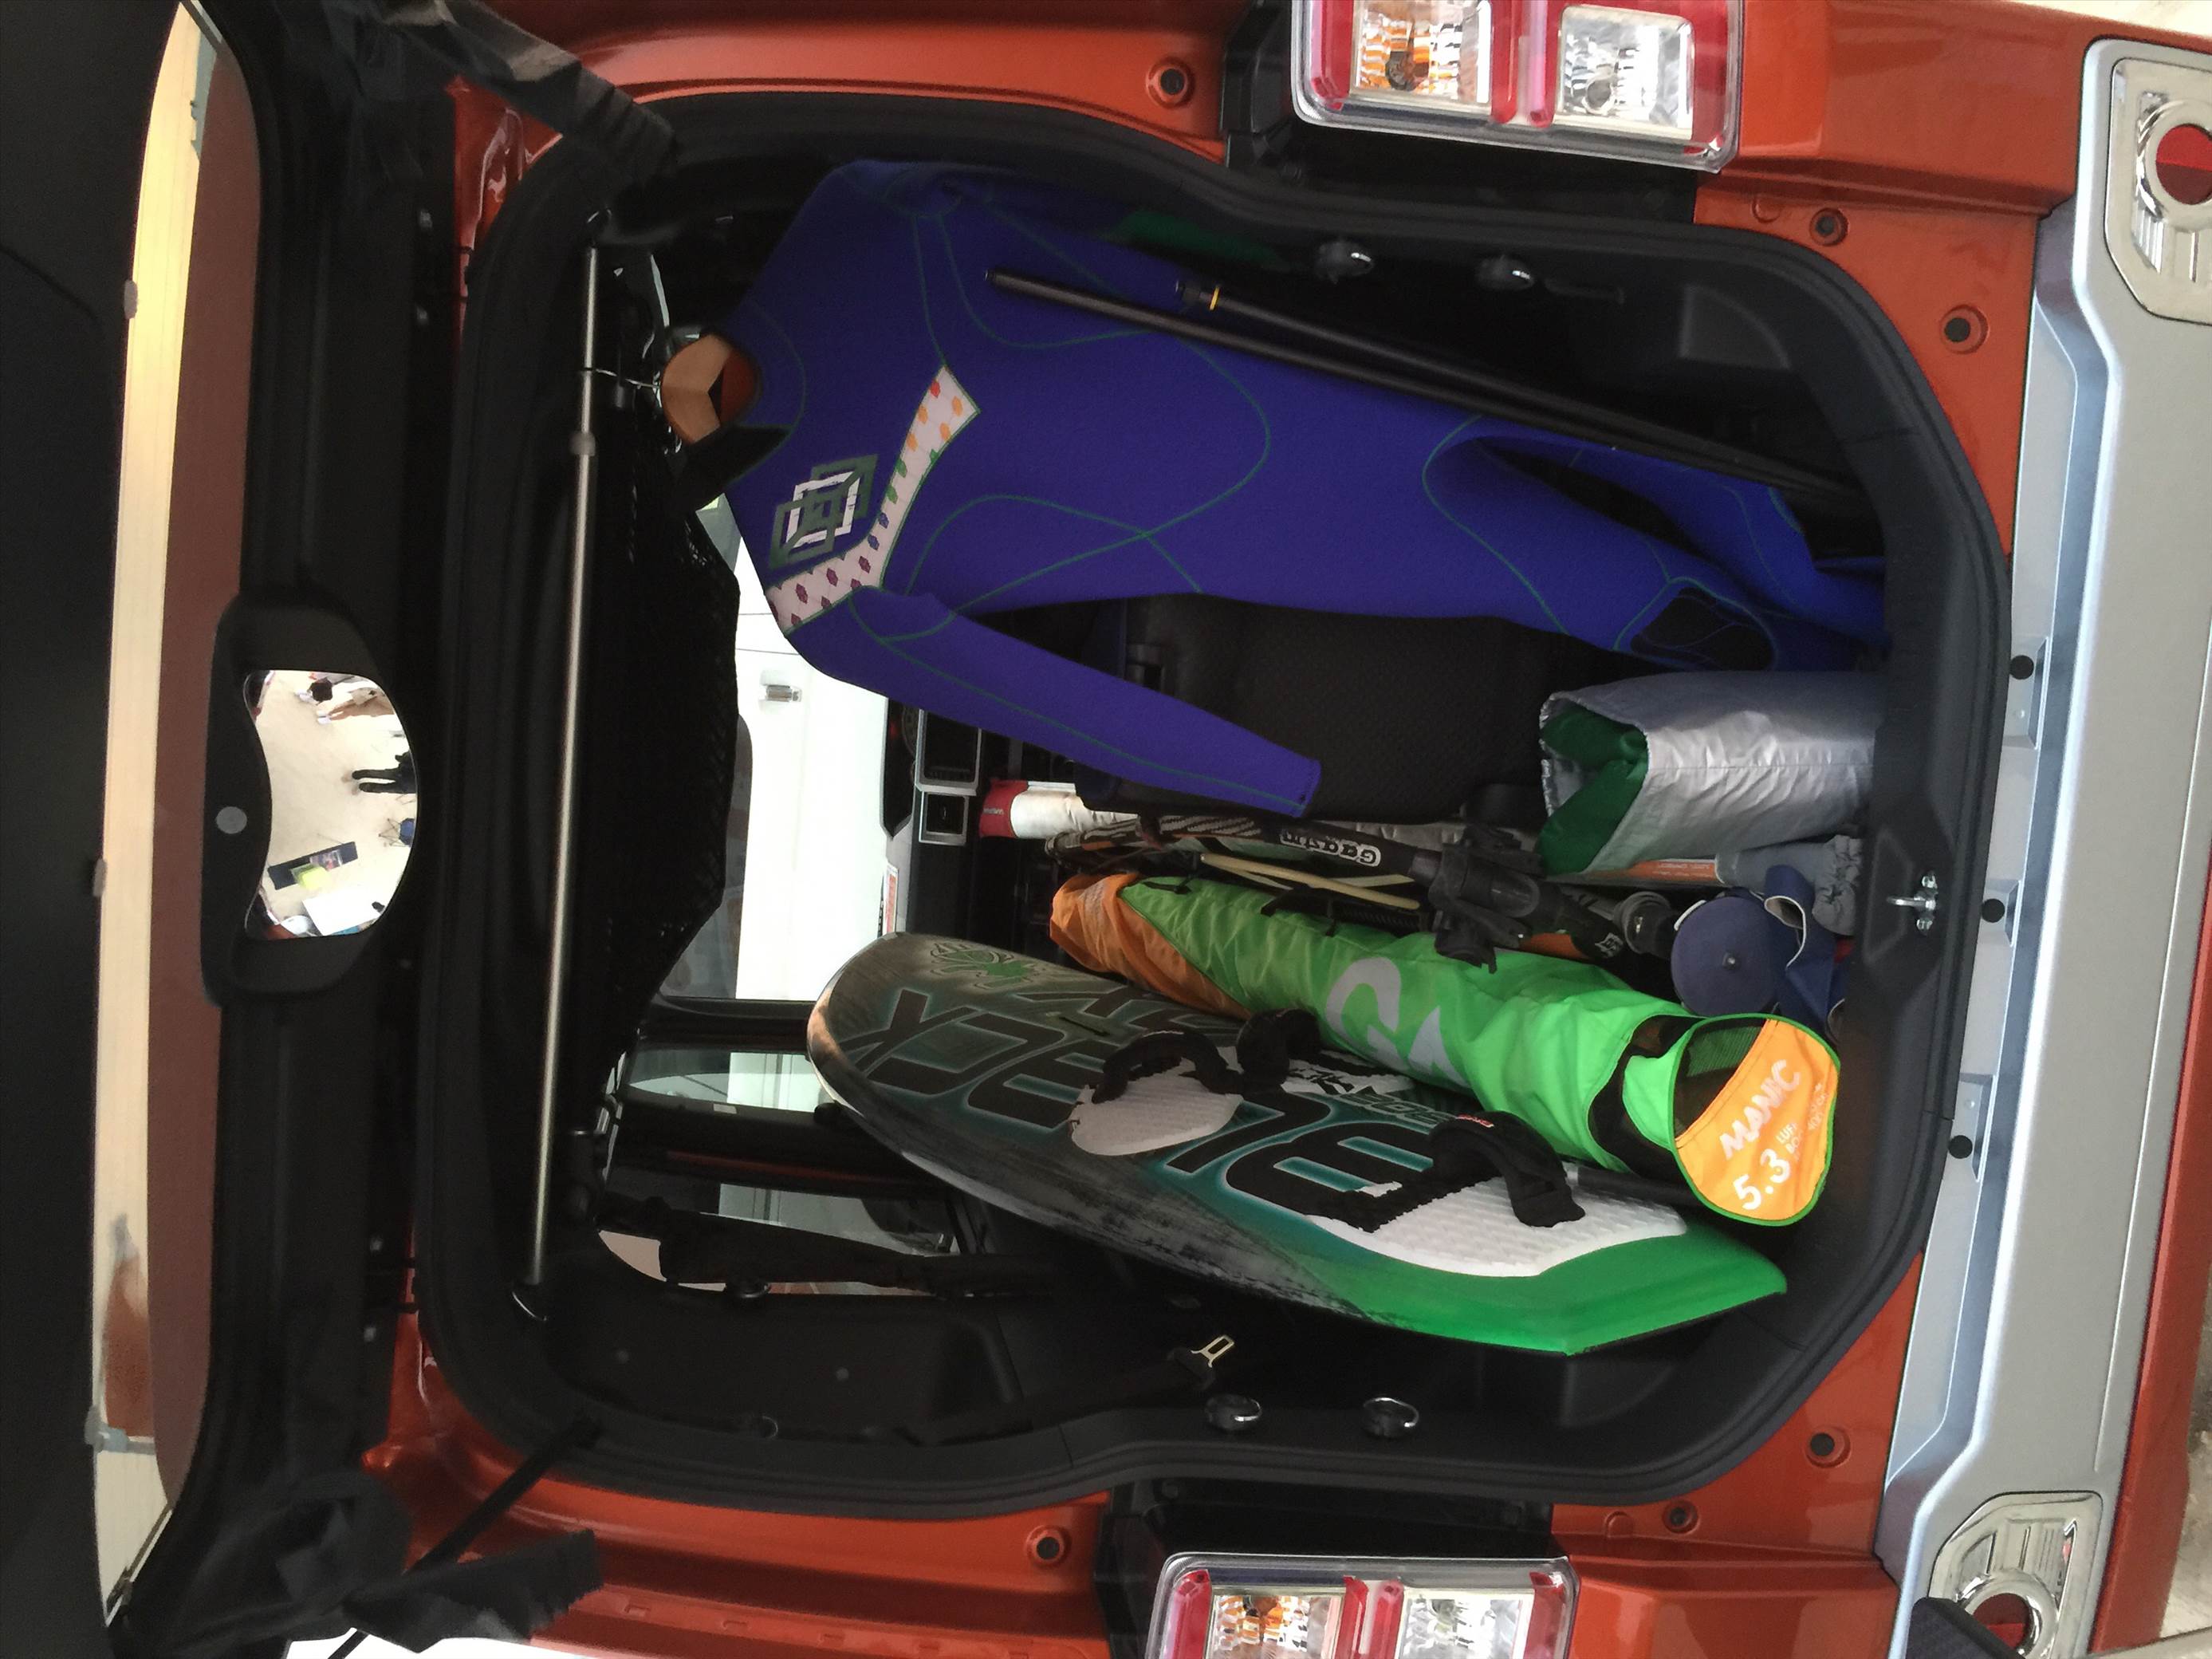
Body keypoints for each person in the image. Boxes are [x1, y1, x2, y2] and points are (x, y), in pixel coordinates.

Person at [685, 162, 1883, 818]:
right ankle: (1857, 658)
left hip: (1313, 352)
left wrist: (1311, 235)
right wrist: (1257, 778)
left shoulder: (860, 215)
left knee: (1653, 470)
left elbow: (1128, 191)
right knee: (1604, 574)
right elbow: (1051, 704)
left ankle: (1867, 617)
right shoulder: (815, 583)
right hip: (1324, 520)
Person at [352, 751, 416, 794]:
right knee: (384, 788)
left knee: (382, 774)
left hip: (405, 773)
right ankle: (364, 787)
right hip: (411, 786)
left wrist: (404, 758)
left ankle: (358, 775)